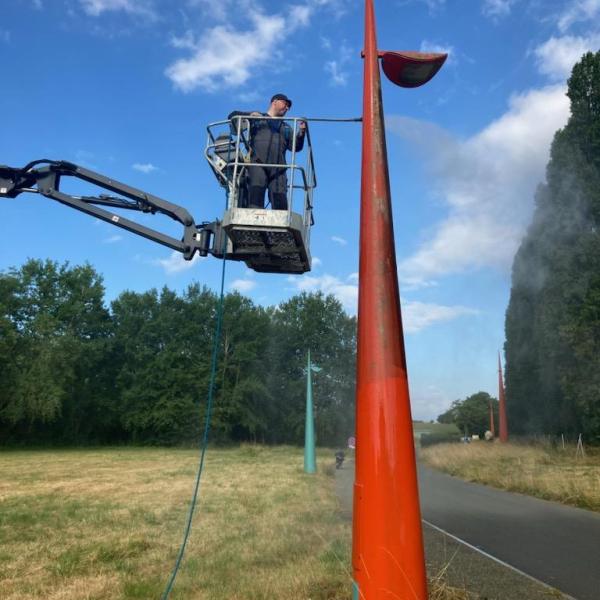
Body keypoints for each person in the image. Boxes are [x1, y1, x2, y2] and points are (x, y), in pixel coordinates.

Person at [228, 93, 306, 210]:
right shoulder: (257, 118)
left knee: (281, 207)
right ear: (274, 102)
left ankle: (278, 227)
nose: (287, 108)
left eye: (288, 106)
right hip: (257, 164)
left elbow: (295, 147)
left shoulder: (285, 128)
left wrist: (301, 133)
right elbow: (232, 116)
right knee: (255, 202)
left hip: (278, 170)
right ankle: (253, 227)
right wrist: (249, 115)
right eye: (285, 103)